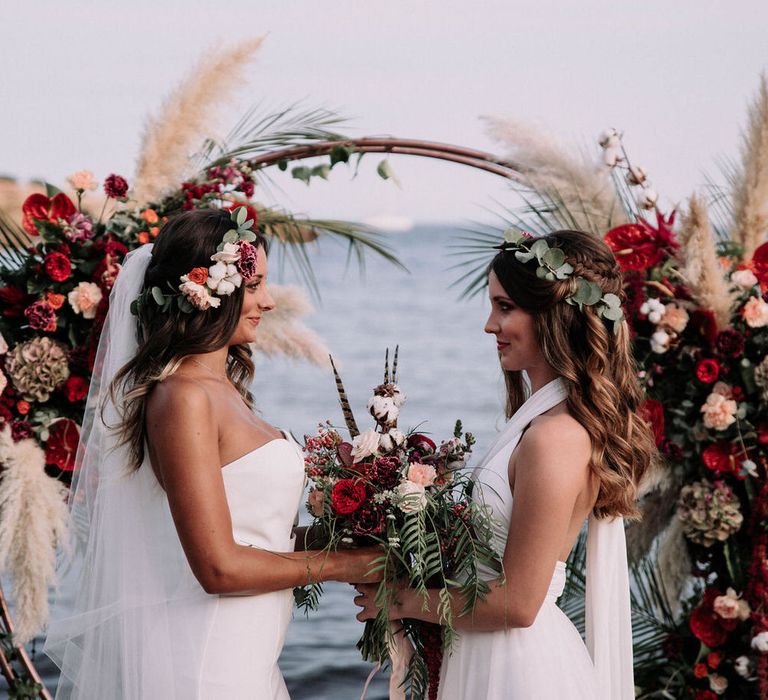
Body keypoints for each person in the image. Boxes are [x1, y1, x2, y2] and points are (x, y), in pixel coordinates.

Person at [44, 208, 380, 699]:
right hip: (203, 662)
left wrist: (359, 531)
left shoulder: (223, 390)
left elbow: (253, 533)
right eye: (255, 284)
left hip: (245, 656)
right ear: (210, 289)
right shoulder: (183, 397)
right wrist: (353, 566)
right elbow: (218, 567)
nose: (267, 301)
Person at [354, 229, 655, 699]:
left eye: (505, 307)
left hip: (516, 669)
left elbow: (518, 602)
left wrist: (401, 600)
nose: (489, 325)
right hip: (484, 653)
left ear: (553, 315)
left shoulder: (554, 437)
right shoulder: (539, 420)